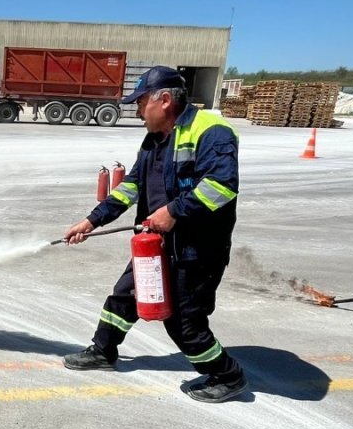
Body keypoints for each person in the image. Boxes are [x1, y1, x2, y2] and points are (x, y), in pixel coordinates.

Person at [62, 66, 247, 403]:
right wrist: (92, 221)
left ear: (164, 101)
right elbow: (130, 186)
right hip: (155, 245)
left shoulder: (212, 131)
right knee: (124, 296)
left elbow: (222, 186)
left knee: (183, 323)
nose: (136, 109)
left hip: (197, 249)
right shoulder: (153, 139)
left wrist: (174, 211)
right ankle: (104, 352)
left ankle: (228, 375)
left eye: (140, 101)